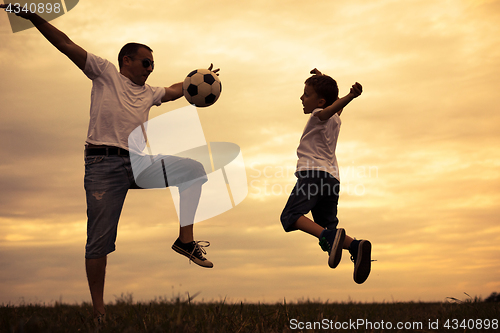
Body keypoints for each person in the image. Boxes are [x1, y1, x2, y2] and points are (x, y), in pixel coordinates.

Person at [1, 4, 215, 320]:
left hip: (139, 164)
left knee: (194, 170)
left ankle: (185, 241)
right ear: (126, 60)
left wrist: (199, 78)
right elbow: (65, 43)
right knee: (99, 241)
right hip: (103, 164)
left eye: (153, 65)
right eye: (146, 62)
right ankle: (99, 311)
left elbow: (172, 91)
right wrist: (33, 15)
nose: (150, 69)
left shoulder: (149, 92)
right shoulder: (104, 73)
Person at [280, 68, 372, 284]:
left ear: (320, 102)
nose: (301, 98)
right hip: (332, 179)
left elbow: (328, 110)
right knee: (327, 226)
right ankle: (357, 246)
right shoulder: (336, 120)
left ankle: (329, 237)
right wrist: (323, 80)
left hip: (313, 175)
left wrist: (350, 96)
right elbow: (334, 108)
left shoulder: (317, 116)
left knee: (290, 216)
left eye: (306, 94)